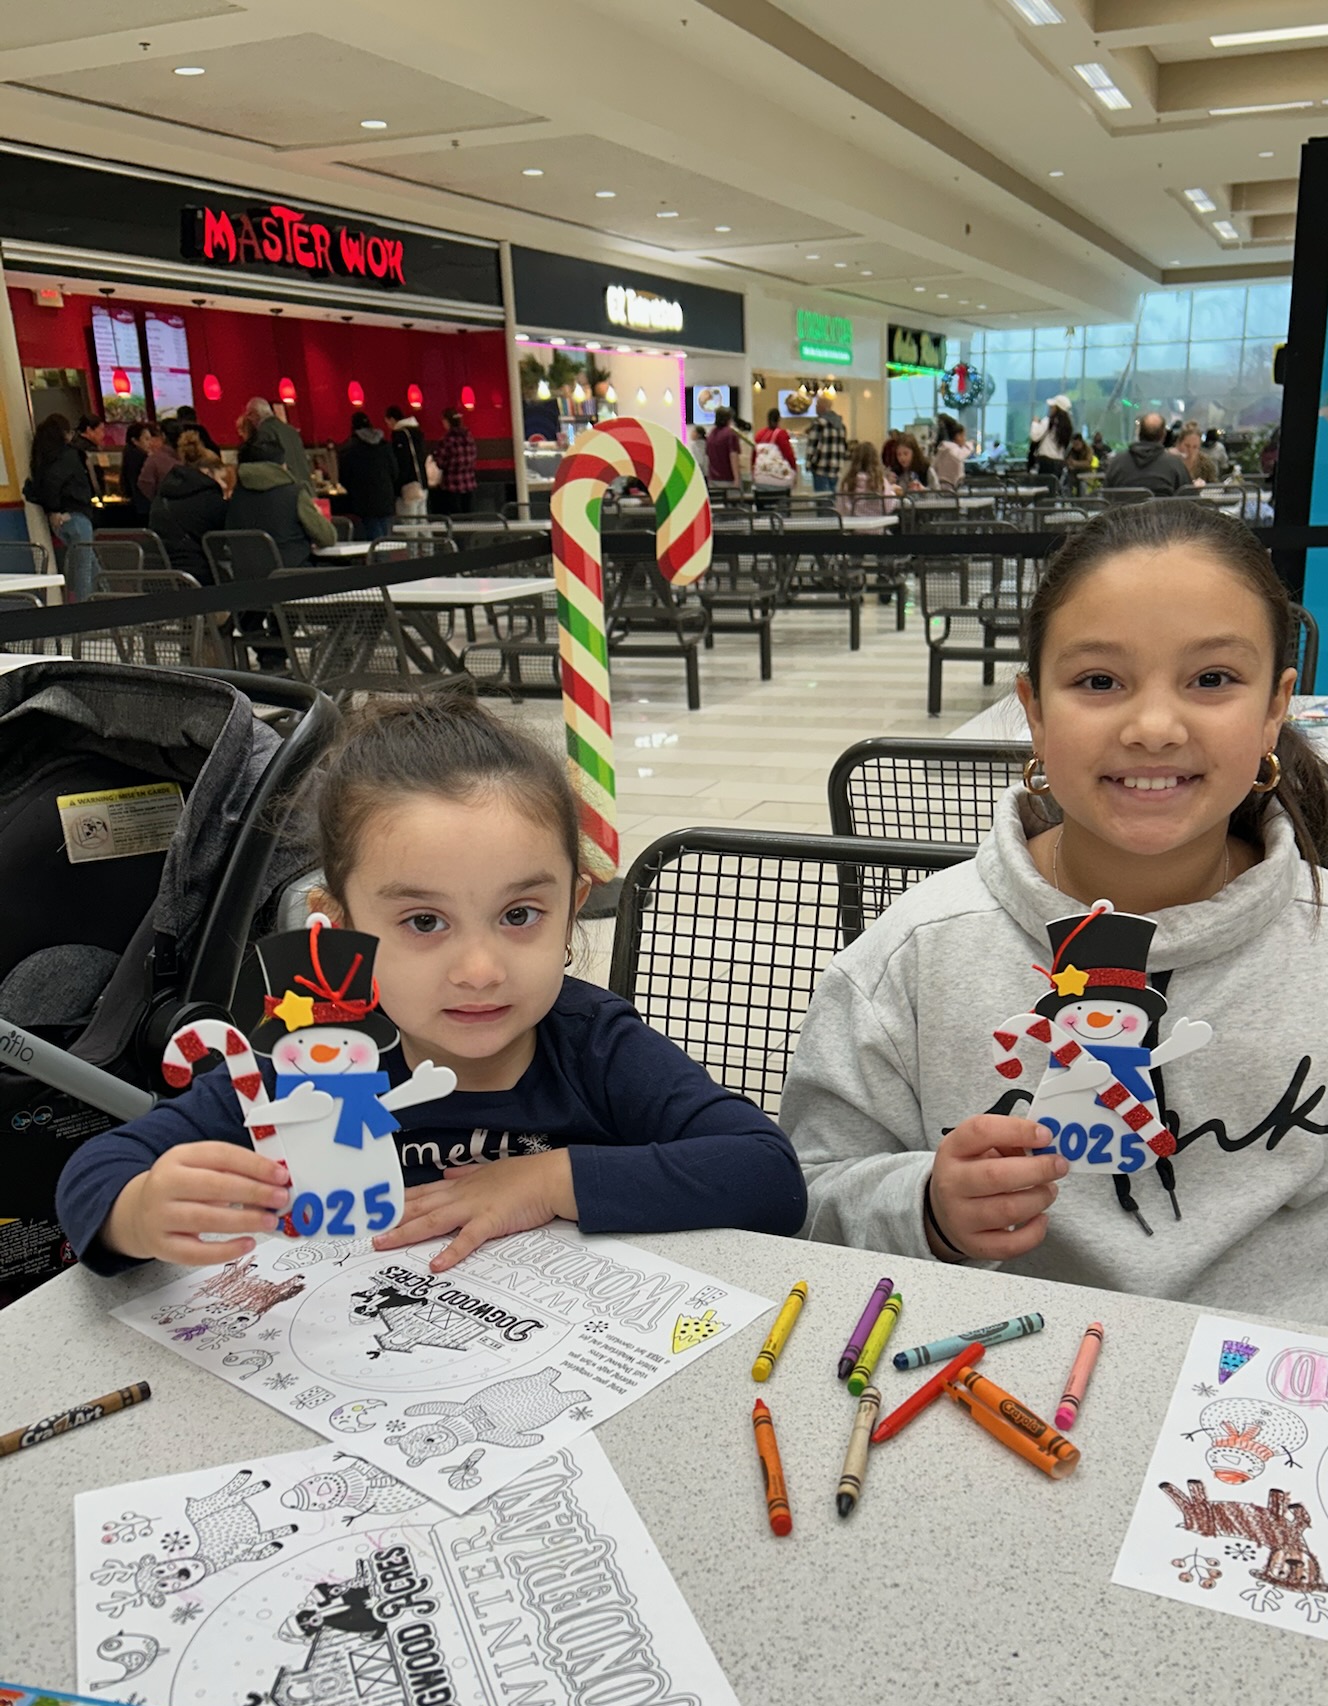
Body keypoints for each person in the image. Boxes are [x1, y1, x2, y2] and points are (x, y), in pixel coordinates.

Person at [779, 500, 1328, 1353]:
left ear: (1273, 710)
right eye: (1099, 682)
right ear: (1034, 712)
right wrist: (922, 1207)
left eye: (1212, 679)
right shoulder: (912, 960)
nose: (1153, 728)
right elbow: (802, 1202)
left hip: (1311, 1378)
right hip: (1009, 1375)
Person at [56, 693, 807, 1276]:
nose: (480, 969)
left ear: (573, 907)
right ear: (340, 925)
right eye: (423, 921)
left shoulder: (593, 1047)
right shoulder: (310, 1059)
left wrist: (546, 1180)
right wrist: (138, 1211)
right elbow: (95, 1172)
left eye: (519, 914)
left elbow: (768, 1175)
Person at [226, 438, 335, 566]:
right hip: (294, 573)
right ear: (282, 466)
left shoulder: (235, 497)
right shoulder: (294, 494)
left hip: (246, 575)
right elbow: (327, 538)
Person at [25, 412, 99, 598]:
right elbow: (56, 483)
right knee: (85, 570)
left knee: (91, 565)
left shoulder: (42, 458)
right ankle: (89, 609)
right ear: (63, 434)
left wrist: (52, 511)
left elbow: (45, 486)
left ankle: (107, 600)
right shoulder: (69, 456)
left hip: (60, 521)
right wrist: (56, 509)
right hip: (76, 516)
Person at [148, 433, 228, 582]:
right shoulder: (210, 500)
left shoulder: (163, 496)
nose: (223, 485)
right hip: (200, 578)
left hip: (161, 578)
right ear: (207, 472)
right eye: (221, 478)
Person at [336, 411, 397, 541]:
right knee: (385, 534)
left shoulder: (350, 448)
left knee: (373, 535)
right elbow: (395, 471)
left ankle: (379, 554)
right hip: (386, 495)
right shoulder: (385, 445)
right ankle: (385, 552)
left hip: (364, 499)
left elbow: (344, 477)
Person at [1101, 413, 1190, 498]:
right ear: (1163, 435)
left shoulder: (1117, 463)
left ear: (1139, 432)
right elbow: (1189, 497)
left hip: (1124, 509)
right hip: (1164, 509)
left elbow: (1106, 496)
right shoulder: (1175, 465)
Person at [238, 397, 307, 490]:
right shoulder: (291, 430)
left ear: (255, 414)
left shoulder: (264, 432)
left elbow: (266, 471)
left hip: (287, 490)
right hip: (306, 489)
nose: (249, 420)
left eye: (249, 415)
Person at [385, 403, 429, 518]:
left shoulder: (400, 435)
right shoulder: (416, 432)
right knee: (422, 520)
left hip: (408, 485)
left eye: (388, 422)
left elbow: (402, 461)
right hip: (422, 482)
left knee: (408, 521)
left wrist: (397, 484)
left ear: (392, 419)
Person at [431, 408, 477, 516]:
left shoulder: (447, 440)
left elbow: (441, 463)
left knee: (454, 517)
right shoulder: (469, 437)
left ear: (447, 421)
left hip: (452, 485)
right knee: (467, 517)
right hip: (469, 483)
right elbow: (473, 457)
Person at [803, 392, 849, 497]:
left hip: (821, 468)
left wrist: (808, 465)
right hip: (836, 468)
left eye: (817, 405)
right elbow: (843, 446)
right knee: (832, 500)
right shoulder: (841, 426)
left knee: (822, 500)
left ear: (822, 407)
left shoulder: (819, 423)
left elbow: (812, 446)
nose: (815, 408)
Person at [835, 441, 897, 515]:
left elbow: (841, 509)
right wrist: (893, 492)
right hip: (877, 521)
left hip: (853, 521)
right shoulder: (880, 481)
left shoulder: (847, 482)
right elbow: (888, 507)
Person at [1029, 395, 1074, 480]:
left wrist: (1035, 423)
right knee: (1054, 485)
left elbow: (1034, 436)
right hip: (1059, 462)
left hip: (1046, 462)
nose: (1050, 408)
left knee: (1044, 486)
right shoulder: (1067, 426)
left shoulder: (1048, 421)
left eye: (1052, 407)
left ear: (1057, 408)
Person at [752, 408, 798, 490]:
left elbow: (754, 456)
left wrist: (753, 473)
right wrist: (795, 471)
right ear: (779, 419)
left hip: (760, 478)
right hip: (778, 478)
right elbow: (789, 455)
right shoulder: (780, 434)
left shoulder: (759, 434)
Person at [120, 420, 158, 519]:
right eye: (146, 439)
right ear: (135, 441)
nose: (150, 443)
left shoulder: (128, 454)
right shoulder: (141, 458)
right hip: (144, 508)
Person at [136, 421, 179, 505]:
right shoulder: (190, 455)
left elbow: (144, 484)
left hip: (165, 507)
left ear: (163, 436)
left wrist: (158, 500)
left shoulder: (155, 459)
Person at [928, 415, 972, 490]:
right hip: (949, 488)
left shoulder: (942, 448)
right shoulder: (951, 448)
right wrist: (969, 446)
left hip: (941, 487)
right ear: (958, 436)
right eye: (963, 435)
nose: (964, 439)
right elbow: (959, 456)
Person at [704, 405, 741, 484]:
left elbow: (707, 456)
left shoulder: (711, 434)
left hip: (713, 478)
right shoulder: (731, 434)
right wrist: (737, 478)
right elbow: (733, 456)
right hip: (727, 478)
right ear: (729, 419)